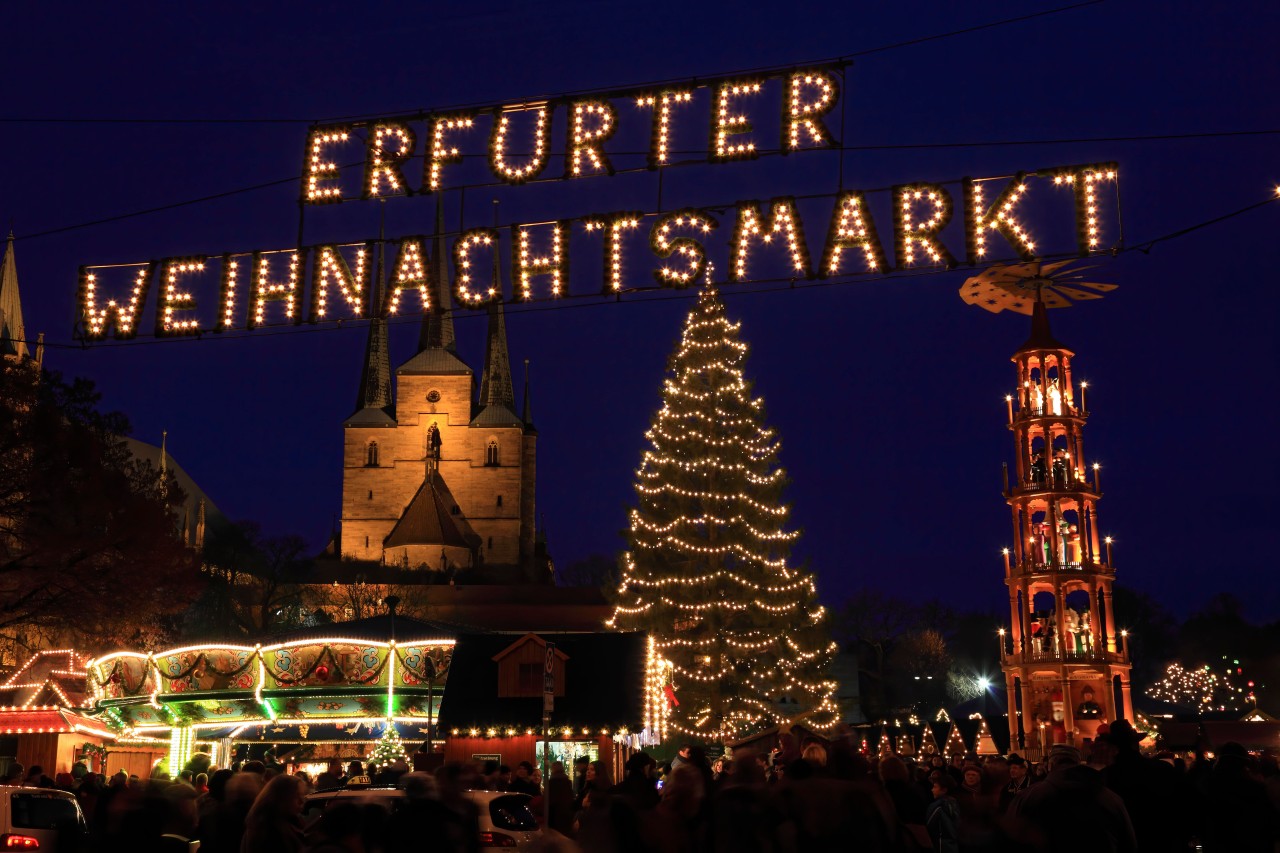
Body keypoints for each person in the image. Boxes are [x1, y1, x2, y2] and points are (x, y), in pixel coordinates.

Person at [1007, 744, 1136, 853]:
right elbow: (1128, 844)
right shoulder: (1110, 799)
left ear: (1050, 765)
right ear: (1078, 764)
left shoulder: (1027, 797)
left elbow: (1010, 840)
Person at [240, 773, 306, 853]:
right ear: (282, 798)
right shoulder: (267, 830)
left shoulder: (290, 821)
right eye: (296, 796)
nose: (302, 801)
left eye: (302, 796)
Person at [925, 772, 961, 853]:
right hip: (952, 845)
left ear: (944, 790)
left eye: (935, 787)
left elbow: (930, 827)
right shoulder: (954, 803)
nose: (932, 789)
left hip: (940, 846)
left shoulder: (937, 807)